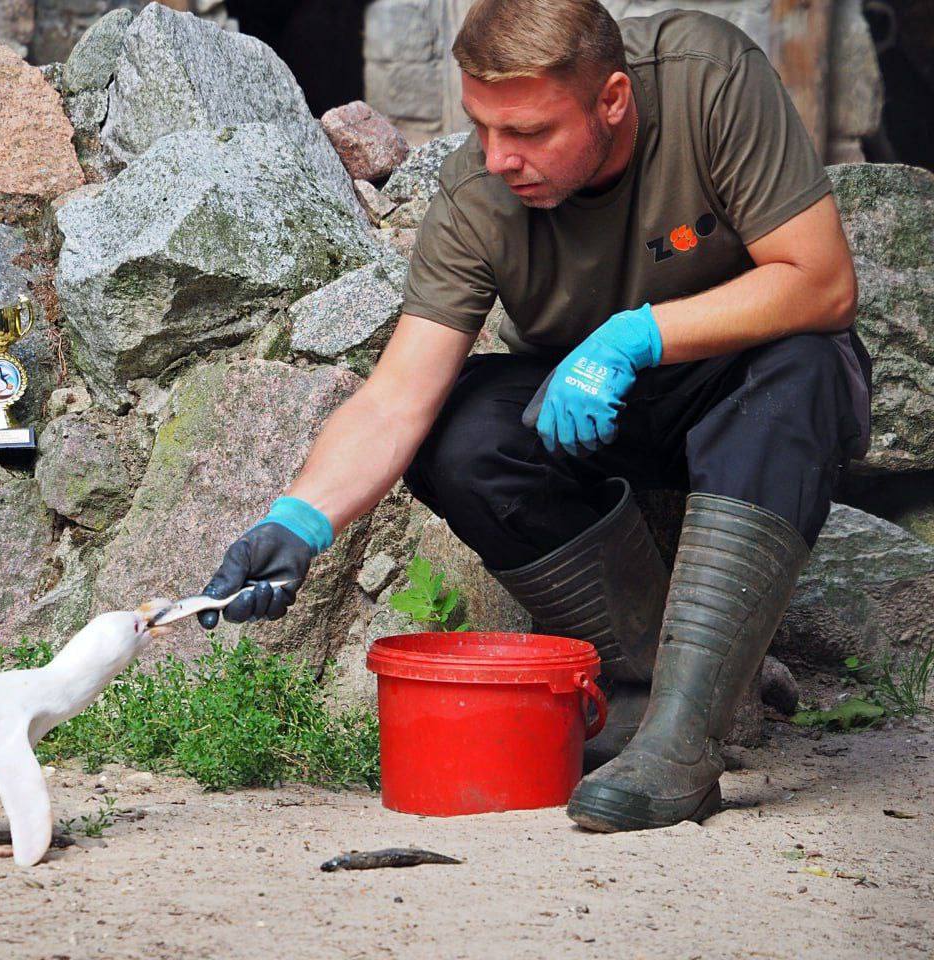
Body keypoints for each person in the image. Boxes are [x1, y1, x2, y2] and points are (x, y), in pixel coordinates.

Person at [195, 0, 871, 832]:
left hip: (746, 397)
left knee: (803, 369)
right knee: (461, 429)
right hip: (596, 420)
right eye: (481, 127)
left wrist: (633, 336)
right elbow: (398, 398)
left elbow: (824, 281)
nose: (497, 157)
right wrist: (299, 521)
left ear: (613, 100)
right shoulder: (480, 193)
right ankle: (663, 694)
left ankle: (683, 743)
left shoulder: (708, 77)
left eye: (529, 131)